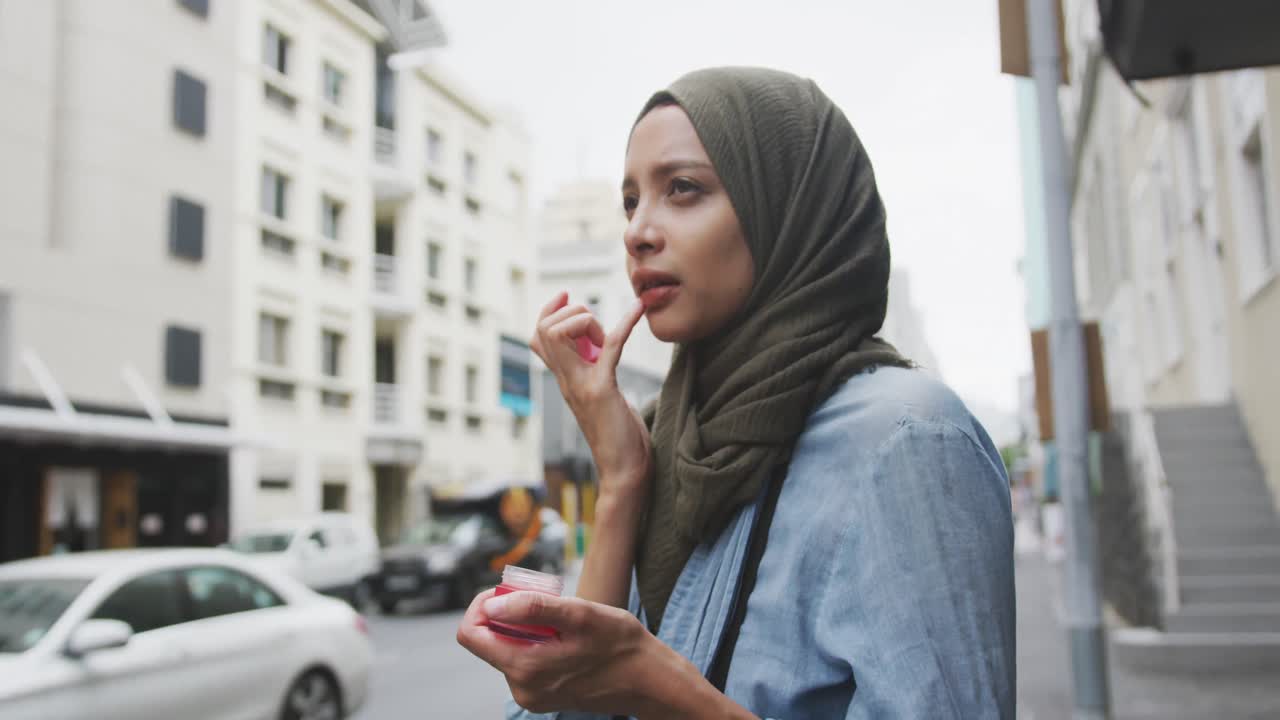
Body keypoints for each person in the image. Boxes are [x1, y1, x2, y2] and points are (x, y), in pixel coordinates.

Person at [457, 66, 1015, 719]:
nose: (637, 231)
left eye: (683, 188)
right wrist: (620, 482)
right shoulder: (666, 444)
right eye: (631, 201)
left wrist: (659, 688)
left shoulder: (908, 439)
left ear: (785, 207)